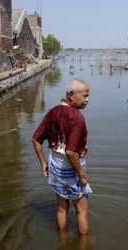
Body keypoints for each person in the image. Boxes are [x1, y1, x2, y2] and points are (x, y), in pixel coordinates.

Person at [32, 79, 92, 234]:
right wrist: (82, 174)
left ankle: (63, 241)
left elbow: (36, 139)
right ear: (71, 95)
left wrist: (43, 163)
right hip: (70, 168)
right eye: (85, 96)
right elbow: (71, 152)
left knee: (61, 208)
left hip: (55, 165)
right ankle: (84, 244)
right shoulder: (77, 118)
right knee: (82, 210)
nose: (87, 100)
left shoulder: (53, 112)